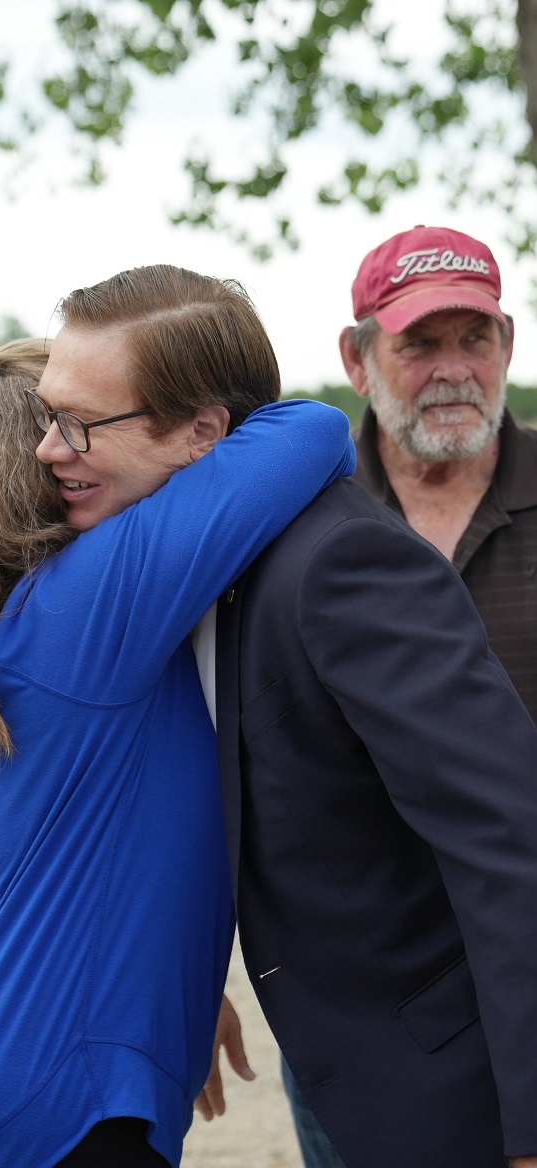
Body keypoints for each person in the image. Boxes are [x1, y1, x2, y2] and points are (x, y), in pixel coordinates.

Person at [0, 322, 354, 1168]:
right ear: (43, 469)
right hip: (53, 1085)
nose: (76, 439)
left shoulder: (3, 627)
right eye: (70, 423)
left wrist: (166, 990)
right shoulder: (83, 607)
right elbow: (313, 429)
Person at [270, 223, 537, 1168]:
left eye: (475, 339)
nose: (453, 370)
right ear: (357, 358)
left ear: (507, 344)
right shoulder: (290, 521)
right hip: (362, 1000)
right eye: (419, 343)